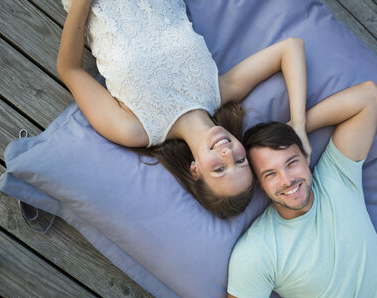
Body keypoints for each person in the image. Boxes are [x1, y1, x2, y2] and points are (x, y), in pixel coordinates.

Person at [57, 0, 311, 218]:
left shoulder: (136, 129)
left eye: (219, 169)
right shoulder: (220, 90)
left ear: (195, 169)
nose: (227, 154)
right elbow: (291, 48)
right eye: (240, 160)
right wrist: (298, 125)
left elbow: (70, 69)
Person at [224, 81, 377, 298]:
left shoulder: (338, 175)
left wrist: (298, 127)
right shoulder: (256, 252)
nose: (288, 180)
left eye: (291, 162)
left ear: (306, 154)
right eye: (270, 174)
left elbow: (367, 96)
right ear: (260, 185)